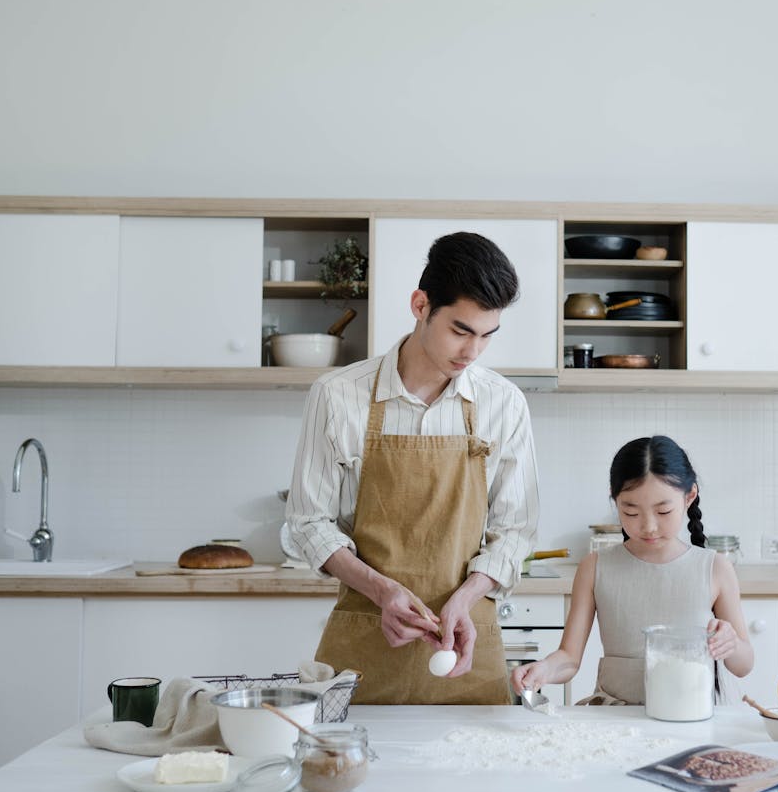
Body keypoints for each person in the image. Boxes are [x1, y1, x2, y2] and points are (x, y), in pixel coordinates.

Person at [283, 231, 540, 705]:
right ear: (421, 305)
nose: (472, 352)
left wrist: (466, 598)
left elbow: (516, 531)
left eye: (487, 335)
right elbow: (307, 523)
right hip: (364, 639)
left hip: (467, 638)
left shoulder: (503, 403)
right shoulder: (338, 396)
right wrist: (381, 591)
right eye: (460, 330)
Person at [511, 435, 753, 704]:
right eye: (631, 512)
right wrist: (543, 669)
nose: (648, 526)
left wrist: (730, 643)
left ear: (689, 497)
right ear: (615, 501)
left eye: (663, 512)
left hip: (690, 715)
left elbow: (743, 665)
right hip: (615, 718)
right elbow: (569, 658)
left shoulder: (715, 568)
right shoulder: (595, 567)